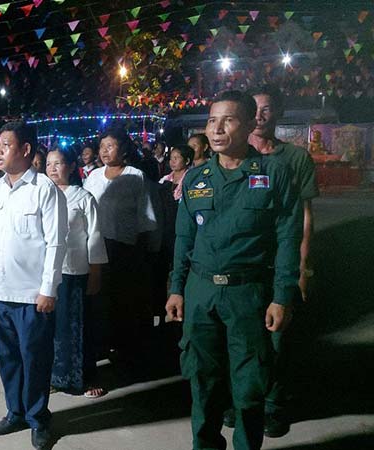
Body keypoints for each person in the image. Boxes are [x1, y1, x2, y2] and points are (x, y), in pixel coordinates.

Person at [165, 90, 301, 450]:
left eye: (228, 120)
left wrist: (282, 296)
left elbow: (289, 239)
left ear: (250, 123)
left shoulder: (274, 174)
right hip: (200, 293)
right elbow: (184, 238)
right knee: (202, 382)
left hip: (248, 295)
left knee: (249, 387)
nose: (217, 128)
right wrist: (176, 289)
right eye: (212, 120)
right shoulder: (196, 178)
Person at [0, 122, 66, 450]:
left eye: (6, 145)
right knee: (7, 356)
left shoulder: (44, 189)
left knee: (35, 359)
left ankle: (38, 418)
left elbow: (56, 242)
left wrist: (48, 288)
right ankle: (14, 411)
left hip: (32, 295)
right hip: (1, 292)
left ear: (26, 149)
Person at [245, 84, 320, 437]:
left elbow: (304, 216)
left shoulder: (295, 158)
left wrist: (303, 268)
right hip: (243, 262)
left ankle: (273, 406)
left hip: (280, 262)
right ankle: (243, 401)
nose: (260, 116)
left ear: (279, 113)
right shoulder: (234, 156)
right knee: (241, 337)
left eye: (267, 108)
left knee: (277, 338)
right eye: (254, 109)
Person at [83, 128, 157, 368]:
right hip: (96, 246)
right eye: (102, 146)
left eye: (110, 146)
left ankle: (124, 348)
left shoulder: (136, 176)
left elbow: (146, 217)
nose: (104, 151)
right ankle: (100, 344)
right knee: (98, 298)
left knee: (122, 299)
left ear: (123, 149)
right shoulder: (93, 176)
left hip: (125, 248)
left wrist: (146, 252)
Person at [45, 149, 107, 398]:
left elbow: (95, 236)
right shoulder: (43, 195)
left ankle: (82, 377)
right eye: (48, 164)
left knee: (75, 327)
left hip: (74, 270)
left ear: (71, 167)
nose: (52, 168)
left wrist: (95, 271)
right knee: (50, 328)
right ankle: (53, 376)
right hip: (47, 273)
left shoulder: (83, 197)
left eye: (58, 163)